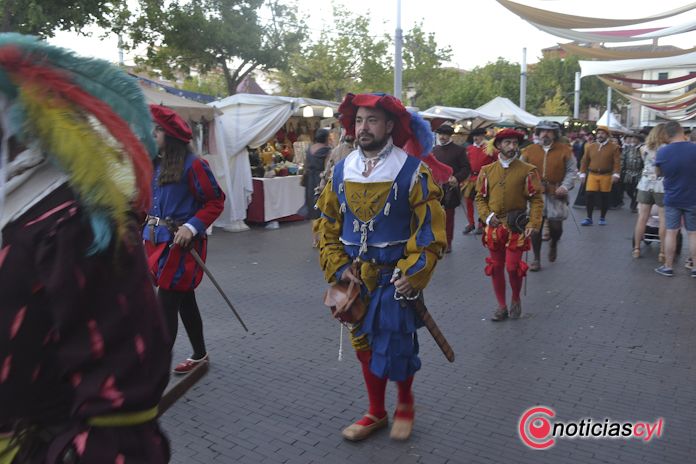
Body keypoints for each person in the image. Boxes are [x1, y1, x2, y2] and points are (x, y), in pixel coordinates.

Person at [0, 34, 170, 463]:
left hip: (170, 249)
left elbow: (120, 400)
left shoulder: (68, 221)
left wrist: (189, 224)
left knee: (178, 301)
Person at [316, 92, 446, 442]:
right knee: (362, 343)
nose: (363, 127)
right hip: (355, 277)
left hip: (395, 277)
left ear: (390, 125)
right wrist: (339, 265)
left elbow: (430, 230)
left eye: (372, 120)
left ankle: (405, 402)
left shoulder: (412, 170)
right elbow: (327, 222)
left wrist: (413, 272)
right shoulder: (342, 170)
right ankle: (376, 411)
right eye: (358, 120)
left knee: (397, 343)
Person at [144, 104, 225, 374]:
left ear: (170, 135)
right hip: (156, 243)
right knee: (184, 299)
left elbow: (215, 201)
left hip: (182, 247)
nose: (152, 134)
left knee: (165, 303)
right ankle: (200, 354)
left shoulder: (194, 165)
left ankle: (154, 371)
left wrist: (192, 226)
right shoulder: (154, 164)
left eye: (157, 129)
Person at [475, 129, 543, 321]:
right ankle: (501, 306)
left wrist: (533, 222)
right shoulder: (486, 171)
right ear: (498, 146)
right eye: (507, 143)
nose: (512, 147)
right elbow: (480, 197)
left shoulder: (528, 170)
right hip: (494, 228)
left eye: (514, 143)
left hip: (517, 226)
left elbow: (536, 199)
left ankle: (515, 298)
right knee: (496, 267)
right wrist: (487, 217)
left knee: (513, 267)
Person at [521, 121, 577, 271]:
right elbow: (520, 169)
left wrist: (565, 186)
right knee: (535, 228)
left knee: (556, 228)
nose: (545, 134)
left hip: (556, 194)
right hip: (535, 195)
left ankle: (553, 243)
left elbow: (572, 171)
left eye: (549, 131)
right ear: (538, 133)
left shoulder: (565, 150)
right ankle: (536, 259)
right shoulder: (529, 150)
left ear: (555, 134)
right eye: (542, 131)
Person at [654, 122, 696, 277]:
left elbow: (658, 173)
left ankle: (668, 266)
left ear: (667, 134)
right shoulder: (694, 148)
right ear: (681, 131)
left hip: (672, 198)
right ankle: (695, 268)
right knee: (693, 233)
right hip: (693, 197)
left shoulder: (663, 152)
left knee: (671, 232)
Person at [432, 121, 471, 252]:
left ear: (450, 136)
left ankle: (448, 242)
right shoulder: (434, 150)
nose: (442, 137)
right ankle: (437, 240)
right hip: (435, 188)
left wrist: (457, 178)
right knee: (435, 216)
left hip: (451, 188)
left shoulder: (459, 150)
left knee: (448, 217)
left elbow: (466, 168)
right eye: (440, 134)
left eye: (445, 134)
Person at [633, 124, 668, 260]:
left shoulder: (643, 148)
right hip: (661, 185)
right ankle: (662, 251)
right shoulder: (666, 149)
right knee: (663, 219)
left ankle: (636, 248)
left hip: (645, 184)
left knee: (642, 218)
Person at [579, 126, 621, 226]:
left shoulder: (614, 147)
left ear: (607, 135)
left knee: (604, 196)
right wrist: (582, 173)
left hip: (606, 174)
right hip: (592, 174)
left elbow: (617, 162)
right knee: (589, 195)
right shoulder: (590, 146)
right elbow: (584, 161)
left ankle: (602, 217)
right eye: (598, 133)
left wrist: (616, 173)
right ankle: (589, 218)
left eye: (602, 133)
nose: (600, 135)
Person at [461, 128, 495, 235]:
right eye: (474, 136)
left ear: (483, 136)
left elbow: (497, 161)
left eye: (478, 136)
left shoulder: (489, 148)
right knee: (468, 200)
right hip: (472, 178)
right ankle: (471, 223)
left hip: (485, 178)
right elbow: (466, 164)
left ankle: (481, 223)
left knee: (483, 201)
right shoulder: (469, 148)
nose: (476, 138)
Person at [304, 128, 332, 247]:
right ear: (326, 138)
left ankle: (315, 239)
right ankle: (322, 237)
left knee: (312, 208)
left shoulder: (309, 149)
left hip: (310, 180)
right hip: (321, 180)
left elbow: (305, 165)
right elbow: (328, 167)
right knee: (323, 207)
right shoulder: (327, 150)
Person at [621, 133, 644, 213]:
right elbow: (622, 158)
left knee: (637, 189)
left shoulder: (642, 148)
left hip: (639, 173)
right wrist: (622, 169)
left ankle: (634, 204)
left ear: (639, 140)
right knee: (628, 189)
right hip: (628, 172)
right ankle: (634, 199)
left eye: (635, 138)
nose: (633, 140)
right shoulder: (627, 148)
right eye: (632, 138)